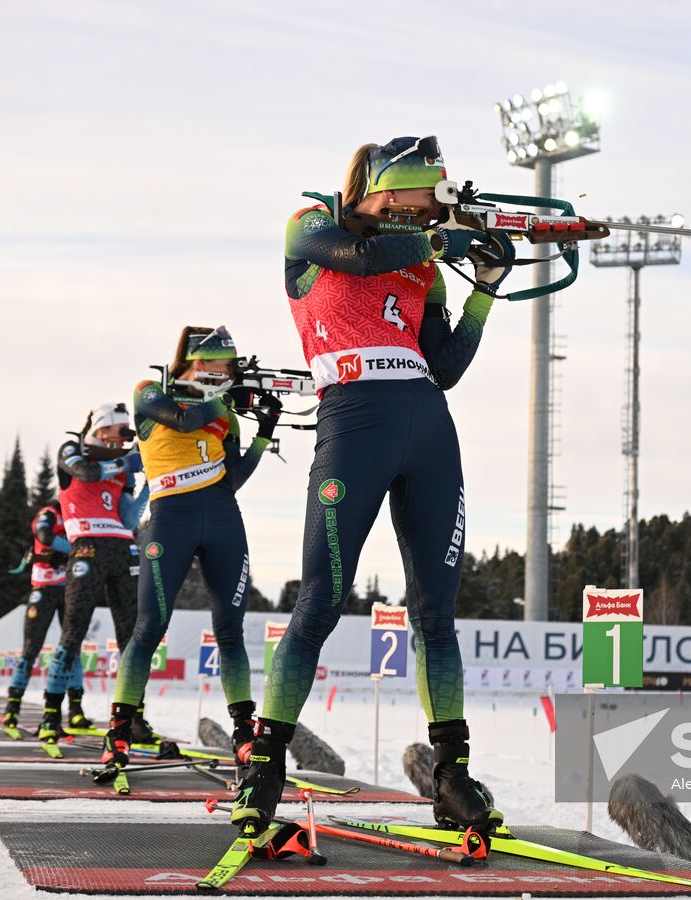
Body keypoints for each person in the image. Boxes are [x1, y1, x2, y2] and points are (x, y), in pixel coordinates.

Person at [234, 135, 512, 837]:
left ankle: (452, 774)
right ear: (387, 189)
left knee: (436, 614)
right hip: (353, 419)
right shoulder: (312, 223)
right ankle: (264, 764)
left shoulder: (426, 265)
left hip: (429, 426)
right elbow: (356, 257)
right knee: (320, 602)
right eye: (425, 197)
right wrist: (438, 240)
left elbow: (445, 366)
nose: (434, 210)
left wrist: (484, 289)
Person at [97, 326, 280, 780]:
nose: (228, 372)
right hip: (170, 520)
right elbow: (181, 420)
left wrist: (264, 430)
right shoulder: (150, 391)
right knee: (150, 626)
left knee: (230, 630)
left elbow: (233, 477)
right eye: (222, 364)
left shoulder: (225, 413)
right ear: (197, 361)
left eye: (232, 368)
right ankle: (118, 732)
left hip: (223, 518)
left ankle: (243, 733)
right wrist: (225, 398)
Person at [39, 403, 150, 743]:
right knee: (73, 631)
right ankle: (51, 714)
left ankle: (133, 719)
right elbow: (85, 473)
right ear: (101, 428)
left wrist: (149, 484)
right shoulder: (72, 448)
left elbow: (128, 519)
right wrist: (126, 461)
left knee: (132, 636)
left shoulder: (122, 466)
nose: (125, 440)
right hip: (86, 547)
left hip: (122, 548)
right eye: (121, 432)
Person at [0, 499, 70, 731]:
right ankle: (12, 708)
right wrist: (72, 548)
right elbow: (44, 535)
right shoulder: (50, 512)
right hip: (44, 588)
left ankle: (75, 710)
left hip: (69, 589)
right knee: (31, 648)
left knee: (72, 648)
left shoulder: (76, 514)